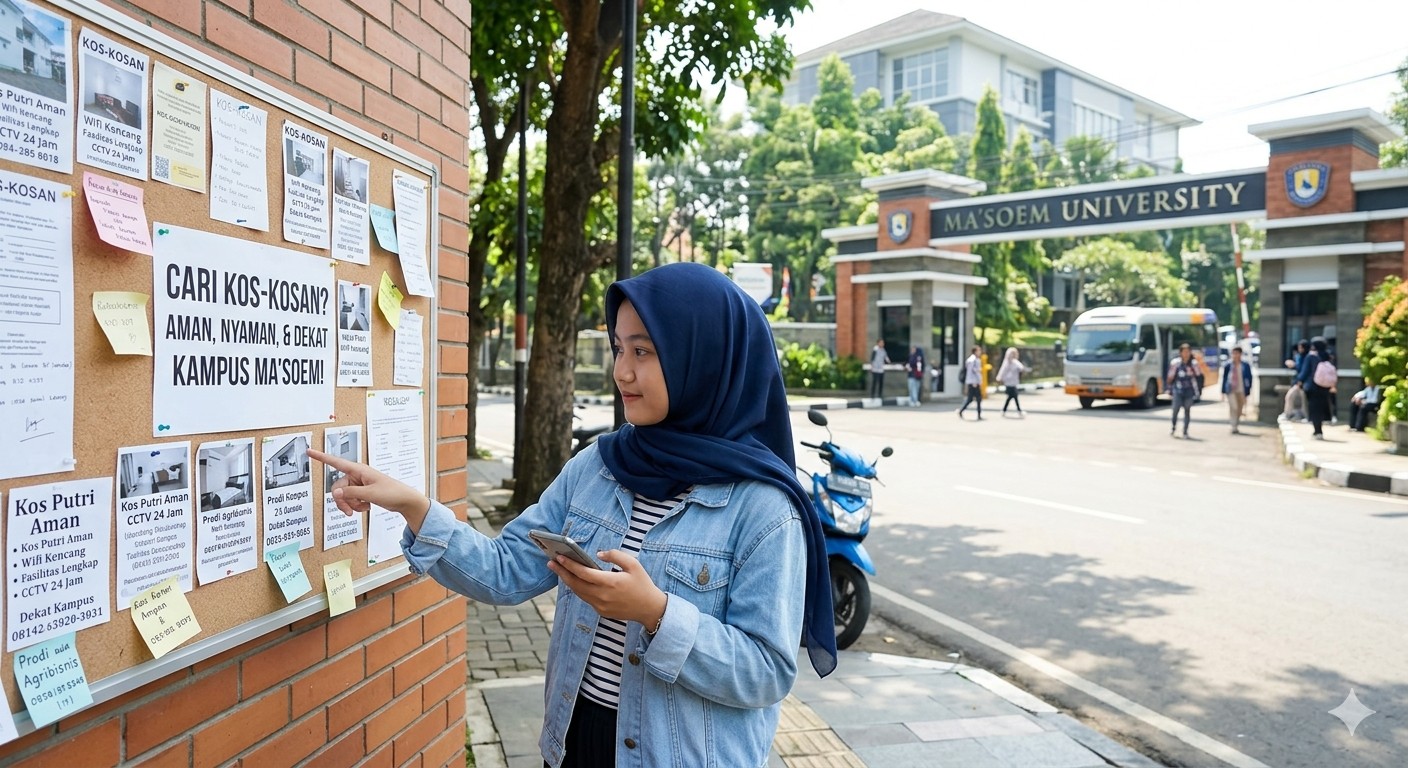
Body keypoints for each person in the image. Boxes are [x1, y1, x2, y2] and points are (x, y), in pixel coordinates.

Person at [310, 262, 837, 768]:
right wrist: (415, 506)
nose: (622, 371)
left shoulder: (765, 507)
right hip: (573, 743)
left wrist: (655, 612)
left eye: (645, 351)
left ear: (703, 358)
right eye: (617, 347)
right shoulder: (600, 467)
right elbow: (505, 570)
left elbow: (766, 672)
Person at [1295, 336, 1332, 440]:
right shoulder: (1327, 356)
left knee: (1314, 409)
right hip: (1325, 387)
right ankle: (1319, 429)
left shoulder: (1311, 356)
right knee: (1321, 409)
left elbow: (1305, 371)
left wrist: (1299, 380)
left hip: (1313, 387)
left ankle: (1317, 431)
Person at [1166, 343, 1201, 438]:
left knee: (1187, 410)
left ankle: (1185, 431)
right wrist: (1169, 389)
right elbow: (1170, 377)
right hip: (1178, 389)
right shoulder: (1175, 363)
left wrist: (1198, 391)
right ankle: (1173, 427)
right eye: (1184, 352)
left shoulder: (1194, 364)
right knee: (1175, 410)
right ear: (1180, 352)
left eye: (1188, 352)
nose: (1186, 354)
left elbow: (1198, 376)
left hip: (1189, 390)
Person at [1221, 346, 1253, 434]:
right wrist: (1222, 391)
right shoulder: (1228, 365)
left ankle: (1236, 423)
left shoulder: (1245, 365)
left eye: (1237, 353)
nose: (1235, 355)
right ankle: (1233, 426)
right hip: (1230, 389)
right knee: (1233, 407)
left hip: (1241, 389)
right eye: (1233, 353)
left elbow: (1249, 378)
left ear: (1240, 354)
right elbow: (1224, 378)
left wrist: (1248, 391)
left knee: (1239, 408)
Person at [995, 347, 1030, 417]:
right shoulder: (1008, 362)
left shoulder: (1014, 362)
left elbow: (1021, 368)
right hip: (1009, 382)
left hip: (1012, 382)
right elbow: (1003, 370)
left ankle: (1005, 410)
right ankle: (1018, 411)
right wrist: (999, 377)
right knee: (1014, 396)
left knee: (1011, 397)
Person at [956, 346, 984, 420]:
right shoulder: (972, 360)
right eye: (978, 351)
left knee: (976, 398)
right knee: (973, 398)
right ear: (975, 351)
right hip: (973, 382)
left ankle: (978, 413)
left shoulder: (976, 360)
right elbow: (971, 372)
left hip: (974, 381)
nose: (980, 352)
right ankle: (962, 410)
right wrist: (975, 381)